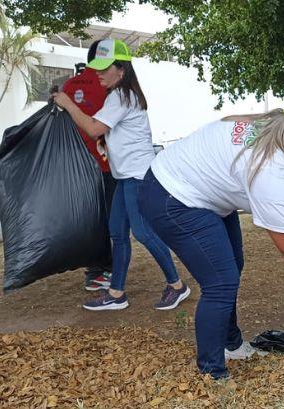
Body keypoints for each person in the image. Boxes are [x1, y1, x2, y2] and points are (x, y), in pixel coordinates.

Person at [138, 84, 284, 379]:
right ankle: (212, 374)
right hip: (171, 196)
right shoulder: (269, 169)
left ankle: (231, 345)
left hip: (204, 196)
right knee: (220, 281)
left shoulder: (279, 128)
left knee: (231, 268)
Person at [52, 39, 189, 311]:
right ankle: (116, 294)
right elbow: (108, 133)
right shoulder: (120, 95)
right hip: (125, 176)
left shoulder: (121, 96)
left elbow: (93, 129)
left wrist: (67, 102)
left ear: (122, 70)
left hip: (138, 177)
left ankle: (177, 286)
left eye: (105, 68)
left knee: (142, 233)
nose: (98, 73)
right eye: (97, 68)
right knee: (117, 232)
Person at [62, 40, 114, 291]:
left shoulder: (71, 85)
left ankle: (95, 270)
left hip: (77, 166)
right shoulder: (112, 87)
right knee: (109, 219)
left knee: (89, 218)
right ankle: (102, 270)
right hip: (107, 163)